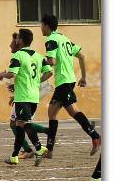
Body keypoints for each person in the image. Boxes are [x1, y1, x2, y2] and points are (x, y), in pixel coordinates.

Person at [41, 14, 100, 157]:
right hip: (68, 80)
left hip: (64, 82)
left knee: (63, 111)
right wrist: (84, 77)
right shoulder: (64, 38)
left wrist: (40, 61)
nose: (41, 28)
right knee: (60, 112)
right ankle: (50, 149)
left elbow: (52, 62)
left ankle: (95, 137)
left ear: (47, 26)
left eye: (41, 25)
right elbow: (82, 56)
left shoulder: (51, 40)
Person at [0, 28, 52, 166]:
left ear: (20, 40)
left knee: (22, 124)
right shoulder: (38, 56)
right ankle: (17, 155)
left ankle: (37, 149)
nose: (15, 41)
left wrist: (2, 74)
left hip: (23, 97)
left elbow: (12, 74)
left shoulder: (18, 56)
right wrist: (37, 81)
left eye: (17, 38)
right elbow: (49, 72)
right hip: (33, 96)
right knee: (21, 125)